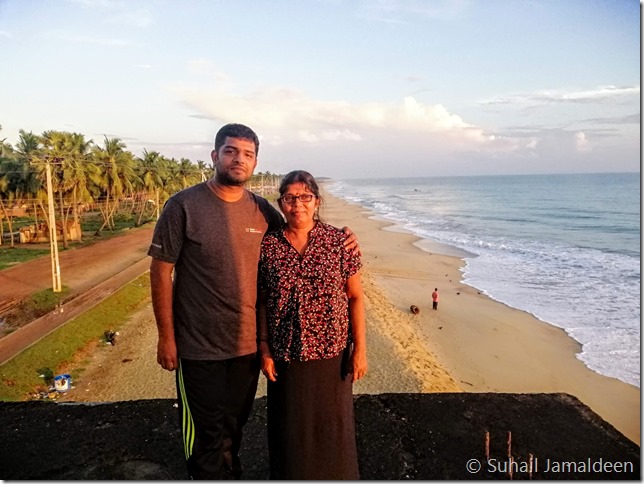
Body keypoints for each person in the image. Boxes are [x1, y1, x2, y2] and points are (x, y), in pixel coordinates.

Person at [147, 124, 358, 480]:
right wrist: (166, 337)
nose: (238, 159)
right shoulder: (183, 205)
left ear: (256, 162)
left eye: (247, 154)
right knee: (205, 439)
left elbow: (299, 226)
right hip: (198, 346)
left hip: (245, 346)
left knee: (234, 432)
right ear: (215, 156)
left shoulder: (262, 212)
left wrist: (343, 237)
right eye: (230, 151)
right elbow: (159, 272)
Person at [258, 170, 368, 480]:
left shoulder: (338, 242)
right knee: (290, 432)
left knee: (334, 430)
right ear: (281, 203)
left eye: (305, 197)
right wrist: (264, 348)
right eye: (290, 198)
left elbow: (356, 297)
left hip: (332, 355)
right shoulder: (270, 247)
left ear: (316, 202)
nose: (298, 205)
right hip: (286, 356)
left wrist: (360, 349)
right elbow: (263, 300)